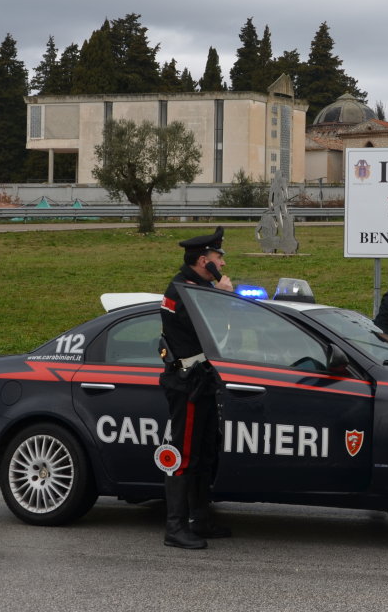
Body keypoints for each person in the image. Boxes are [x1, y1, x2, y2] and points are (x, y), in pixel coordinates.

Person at [158, 226, 233, 549]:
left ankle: (200, 518)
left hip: (202, 381)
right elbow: (211, 327)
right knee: (185, 454)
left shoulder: (196, 287)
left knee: (205, 452)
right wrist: (222, 292)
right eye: (219, 258)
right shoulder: (183, 291)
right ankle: (175, 527)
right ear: (205, 261)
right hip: (187, 383)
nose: (223, 264)